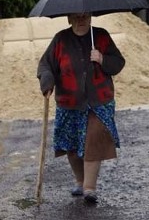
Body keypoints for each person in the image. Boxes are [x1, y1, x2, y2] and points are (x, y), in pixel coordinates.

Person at [37, 12, 125, 204]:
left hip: (98, 101)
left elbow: (118, 63)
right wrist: (47, 83)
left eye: (85, 16)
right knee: (72, 144)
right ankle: (80, 181)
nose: (81, 20)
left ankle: (89, 188)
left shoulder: (101, 36)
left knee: (94, 140)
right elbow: (45, 65)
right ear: (69, 19)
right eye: (76, 17)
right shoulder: (61, 39)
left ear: (91, 17)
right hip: (69, 102)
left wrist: (102, 59)